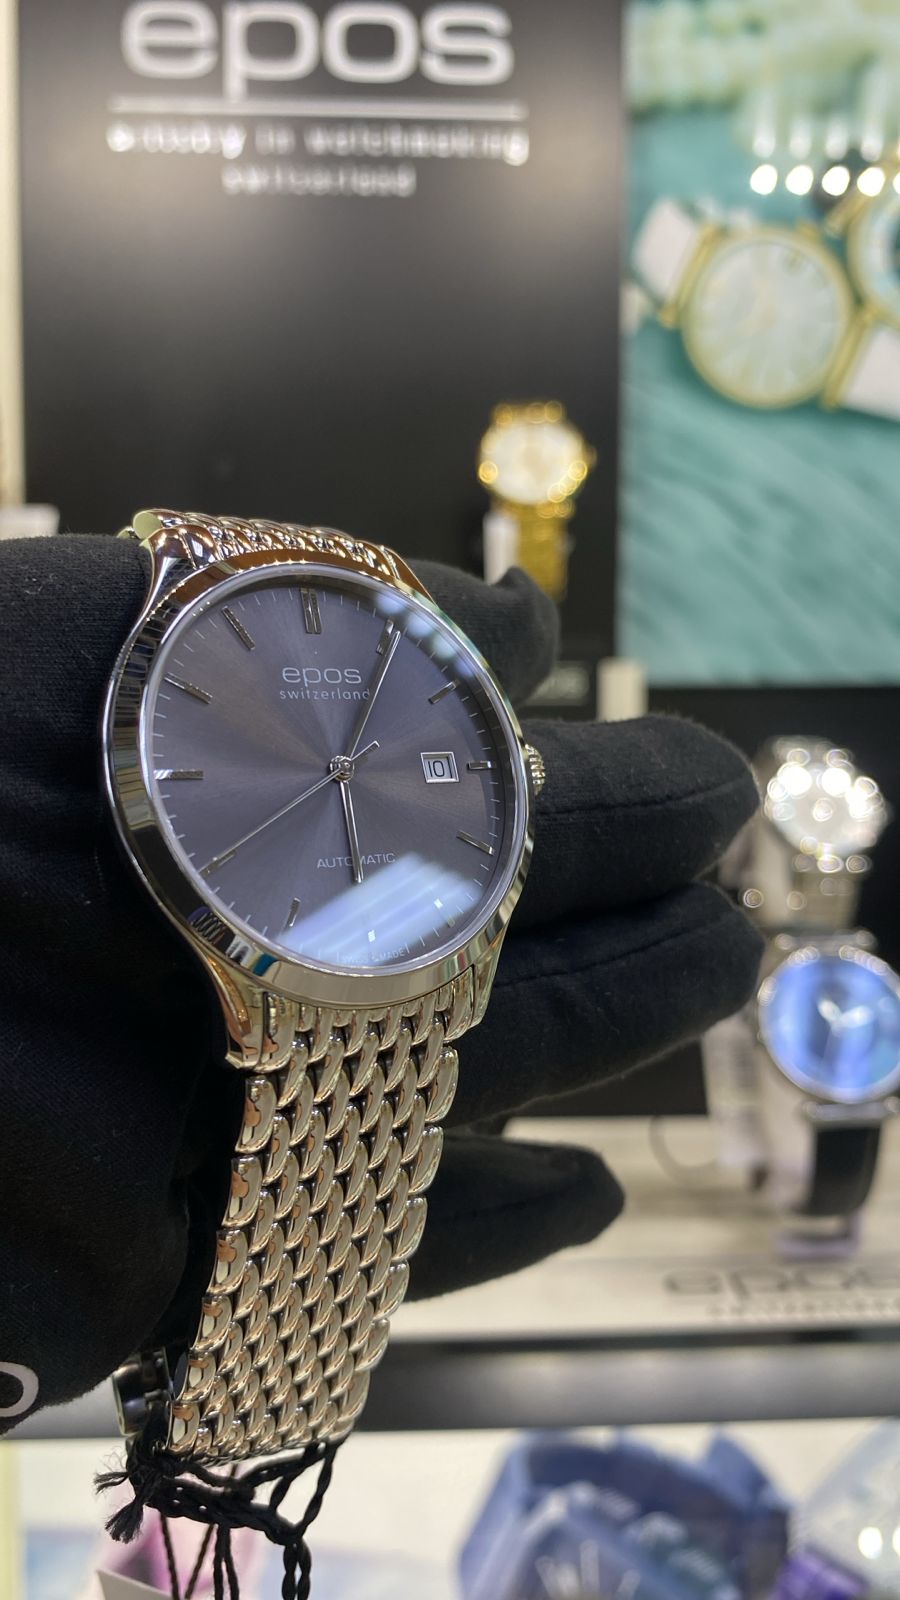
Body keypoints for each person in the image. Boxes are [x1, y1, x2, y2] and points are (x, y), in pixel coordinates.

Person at [0, 531, 761, 1436]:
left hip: (407, 954)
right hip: (262, 970)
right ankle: (248, 1403)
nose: (336, 766)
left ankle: (259, 1399)